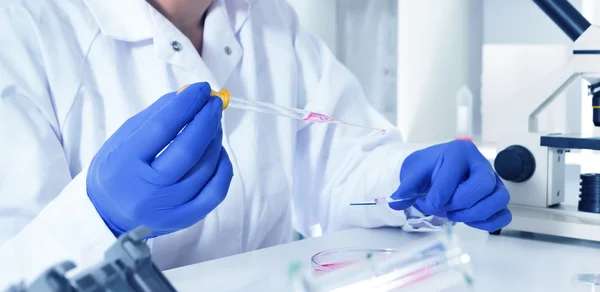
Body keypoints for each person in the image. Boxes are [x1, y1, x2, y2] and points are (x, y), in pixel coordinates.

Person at [0, 0, 511, 285]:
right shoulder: (21, 29)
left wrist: (407, 181)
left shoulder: (268, 19)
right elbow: (12, 266)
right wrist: (98, 216)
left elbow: (338, 168)